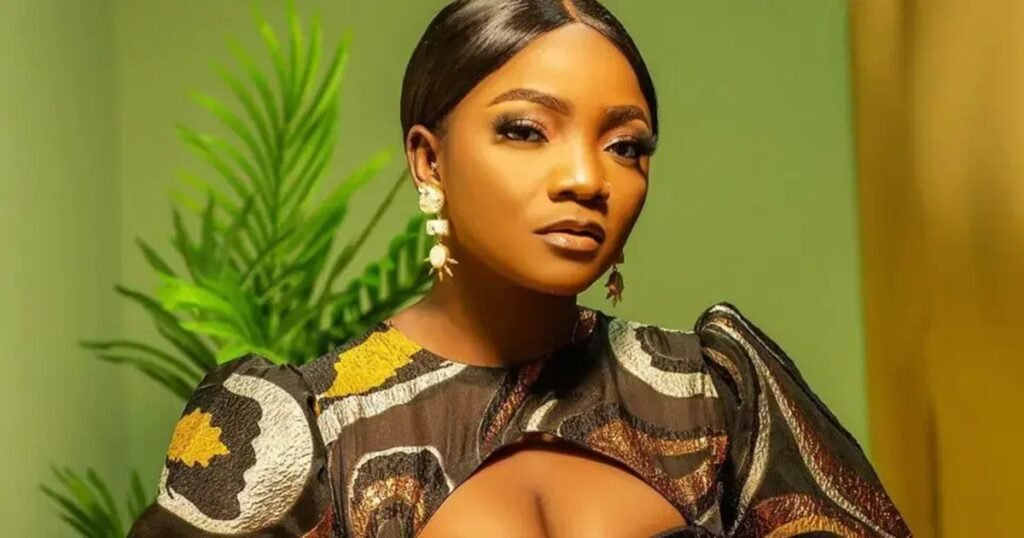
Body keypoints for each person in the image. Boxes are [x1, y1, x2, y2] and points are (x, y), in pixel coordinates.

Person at [129, 0, 911, 536]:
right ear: (428, 159)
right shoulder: (306, 434)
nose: (587, 178)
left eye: (625, 145)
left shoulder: (714, 397)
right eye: (527, 130)